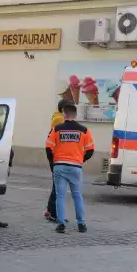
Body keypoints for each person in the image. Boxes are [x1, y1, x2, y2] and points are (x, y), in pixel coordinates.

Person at [45, 103, 94, 233]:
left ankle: (61, 224)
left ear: (64, 115)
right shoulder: (84, 130)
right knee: (77, 196)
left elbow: (48, 147)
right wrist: (80, 159)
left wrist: (54, 161)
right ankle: (81, 224)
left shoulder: (57, 129)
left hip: (60, 166)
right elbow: (90, 150)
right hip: (75, 167)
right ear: (75, 115)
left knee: (60, 196)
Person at [44, 99, 75, 222]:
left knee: (57, 185)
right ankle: (53, 213)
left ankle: (50, 210)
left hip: (57, 156)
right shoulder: (59, 120)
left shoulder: (60, 118)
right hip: (57, 156)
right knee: (58, 186)